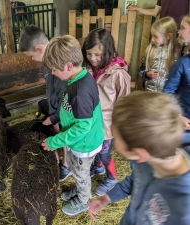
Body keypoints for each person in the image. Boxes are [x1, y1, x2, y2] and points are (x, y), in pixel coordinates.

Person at [88, 91, 190, 224]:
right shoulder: (150, 156)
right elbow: (138, 179)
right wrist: (108, 197)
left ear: (139, 154)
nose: (112, 140)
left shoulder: (183, 210)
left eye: (115, 137)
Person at [41, 35, 105, 216]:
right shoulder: (79, 78)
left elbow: (82, 127)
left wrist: (55, 142)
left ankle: (84, 200)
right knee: (78, 171)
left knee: (80, 172)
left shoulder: (79, 92)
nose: (52, 73)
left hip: (84, 144)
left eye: (54, 70)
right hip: (82, 139)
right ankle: (80, 191)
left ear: (68, 66)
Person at [18, 25, 71, 181]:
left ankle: (67, 165)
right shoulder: (49, 63)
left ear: (40, 49)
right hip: (55, 110)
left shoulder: (60, 64)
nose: (32, 60)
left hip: (64, 112)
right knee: (58, 133)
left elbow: (64, 95)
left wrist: (56, 115)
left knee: (64, 134)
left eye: (31, 56)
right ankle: (61, 159)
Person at [81, 28, 131, 196]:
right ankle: (98, 168)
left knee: (104, 152)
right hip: (92, 120)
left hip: (107, 123)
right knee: (95, 147)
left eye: (97, 55)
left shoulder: (118, 74)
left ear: (108, 52)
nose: (93, 59)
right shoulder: (88, 68)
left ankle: (112, 178)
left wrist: (119, 126)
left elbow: (124, 102)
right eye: (89, 54)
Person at [163, 14, 190, 145]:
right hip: (184, 125)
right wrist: (178, 117)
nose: (179, 31)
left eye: (183, 28)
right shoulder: (183, 63)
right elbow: (167, 92)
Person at [138, 17, 177, 92]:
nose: (152, 39)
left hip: (167, 96)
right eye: (152, 36)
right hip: (150, 94)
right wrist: (147, 74)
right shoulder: (150, 50)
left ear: (169, 36)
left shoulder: (177, 52)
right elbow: (140, 70)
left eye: (155, 36)